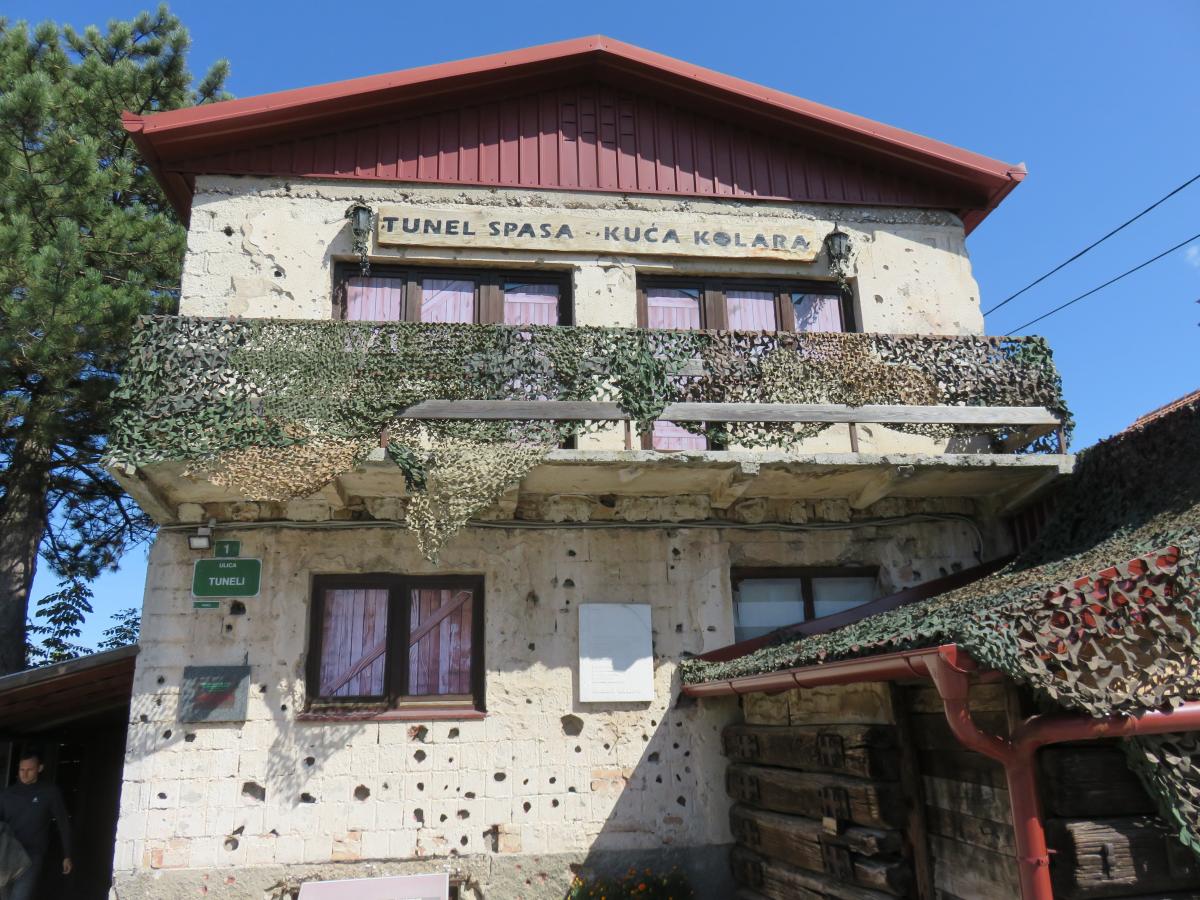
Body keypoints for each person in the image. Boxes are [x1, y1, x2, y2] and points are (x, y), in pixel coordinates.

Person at [0, 750, 72, 900]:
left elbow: (63, 822)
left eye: (30, 770)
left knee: (20, 897)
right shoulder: (7, 794)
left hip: (32, 854)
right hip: (7, 853)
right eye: (22, 770)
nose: (24, 774)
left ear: (40, 768)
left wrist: (67, 854)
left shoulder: (49, 792)